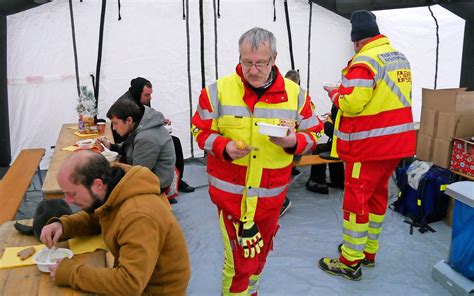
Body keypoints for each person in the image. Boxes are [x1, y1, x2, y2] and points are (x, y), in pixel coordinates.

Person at [191, 27, 323, 295]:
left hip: (270, 200)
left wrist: (293, 142)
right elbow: (198, 131)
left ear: (274, 59)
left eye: (260, 63)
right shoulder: (217, 91)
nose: (252, 70)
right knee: (238, 265)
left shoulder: (296, 94)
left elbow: (315, 132)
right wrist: (223, 145)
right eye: (246, 62)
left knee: (259, 258)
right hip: (231, 199)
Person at [318, 10, 416, 281]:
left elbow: (352, 103)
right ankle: (368, 252)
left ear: (357, 40)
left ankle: (350, 261)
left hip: (368, 146)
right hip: (395, 145)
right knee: (377, 197)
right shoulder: (398, 57)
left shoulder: (364, 61)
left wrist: (336, 93)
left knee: (356, 201)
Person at [40, 150, 191, 295]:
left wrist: (71, 273)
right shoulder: (116, 187)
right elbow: (100, 216)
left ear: (97, 184)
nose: (68, 201)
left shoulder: (138, 216)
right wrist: (64, 225)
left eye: (72, 193)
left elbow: (129, 284)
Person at [114, 77, 195, 193]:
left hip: (142, 134)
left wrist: (160, 121)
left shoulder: (142, 99)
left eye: (150, 95)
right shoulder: (125, 105)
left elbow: (147, 116)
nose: (150, 98)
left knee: (175, 142)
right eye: (147, 95)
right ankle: (162, 187)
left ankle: (176, 181)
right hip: (131, 139)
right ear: (138, 93)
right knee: (166, 143)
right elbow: (127, 130)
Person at [97, 99, 176, 196]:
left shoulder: (146, 138)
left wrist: (113, 167)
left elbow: (137, 174)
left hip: (157, 183)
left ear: (129, 120)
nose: (113, 128)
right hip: (149, 175)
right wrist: (110, 146)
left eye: (115, 123)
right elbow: (130, 146)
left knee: (105, 186)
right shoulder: (141, 126)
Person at [305, 104, 345, 194]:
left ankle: (317, 182)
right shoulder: (345, 100)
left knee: (319, 149)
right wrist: (332, 116)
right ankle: (338, 180)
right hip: (342, 144)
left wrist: (327, 124)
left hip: (344, 144)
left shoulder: (345, 101)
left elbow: (337, 134)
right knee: (330, 148)